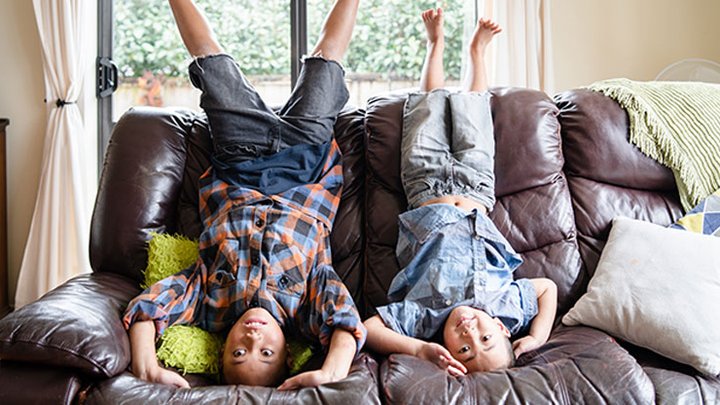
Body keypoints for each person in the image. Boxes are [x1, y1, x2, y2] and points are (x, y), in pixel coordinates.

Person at [123, 0, 365, 389]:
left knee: (213, 65)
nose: (253, 339)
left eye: (238, 353)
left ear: (221, 351)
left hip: (240, 161)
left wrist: (146, 367)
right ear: (288, 354)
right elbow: (346, 322)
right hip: (305, 164)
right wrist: (330, 372)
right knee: (326, 63)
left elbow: (148, 307)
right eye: (266, 353)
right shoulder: (307, 311)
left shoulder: (206, 302)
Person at [363, 8, 557, 376]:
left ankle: (434, 44)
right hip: (476, 189)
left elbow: (370, 328)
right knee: (473, 116)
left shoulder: (425, 320)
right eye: (486, 339)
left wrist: (421, 349)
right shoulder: (507, 308)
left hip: (424, 186)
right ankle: (476, 52)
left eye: (465, 350)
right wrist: (537, 336)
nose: (470, 333)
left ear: (449, 350)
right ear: (502, 329)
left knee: (427, 107)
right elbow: (546, 288)